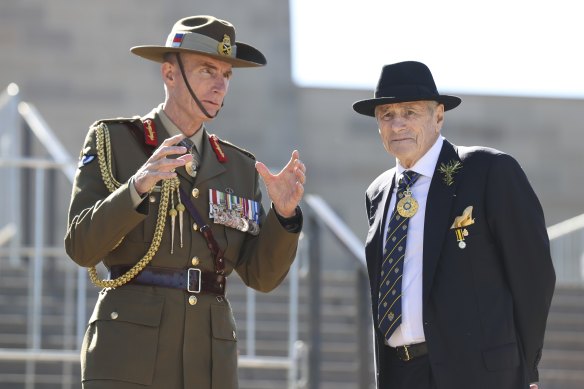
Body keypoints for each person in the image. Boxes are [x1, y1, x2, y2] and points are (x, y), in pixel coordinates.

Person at [64, 15, 306, 389]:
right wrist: (138, 187)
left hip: (208, 362)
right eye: (207, 70)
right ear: (169, 74)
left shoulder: (239, 167)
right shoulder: (115, 141)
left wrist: (284, 216)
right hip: (129, 354)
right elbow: (81, 246)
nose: (219, 84)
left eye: (227, 75)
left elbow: (261, 276)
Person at [353, 61, 555, 389]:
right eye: (386, 115)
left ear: (439, 115)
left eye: (410, 111)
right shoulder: (378, 191)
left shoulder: (488, 170)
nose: (397, 124)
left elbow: (534, 275)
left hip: (478, 373)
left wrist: (526, 369)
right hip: (400, 373)